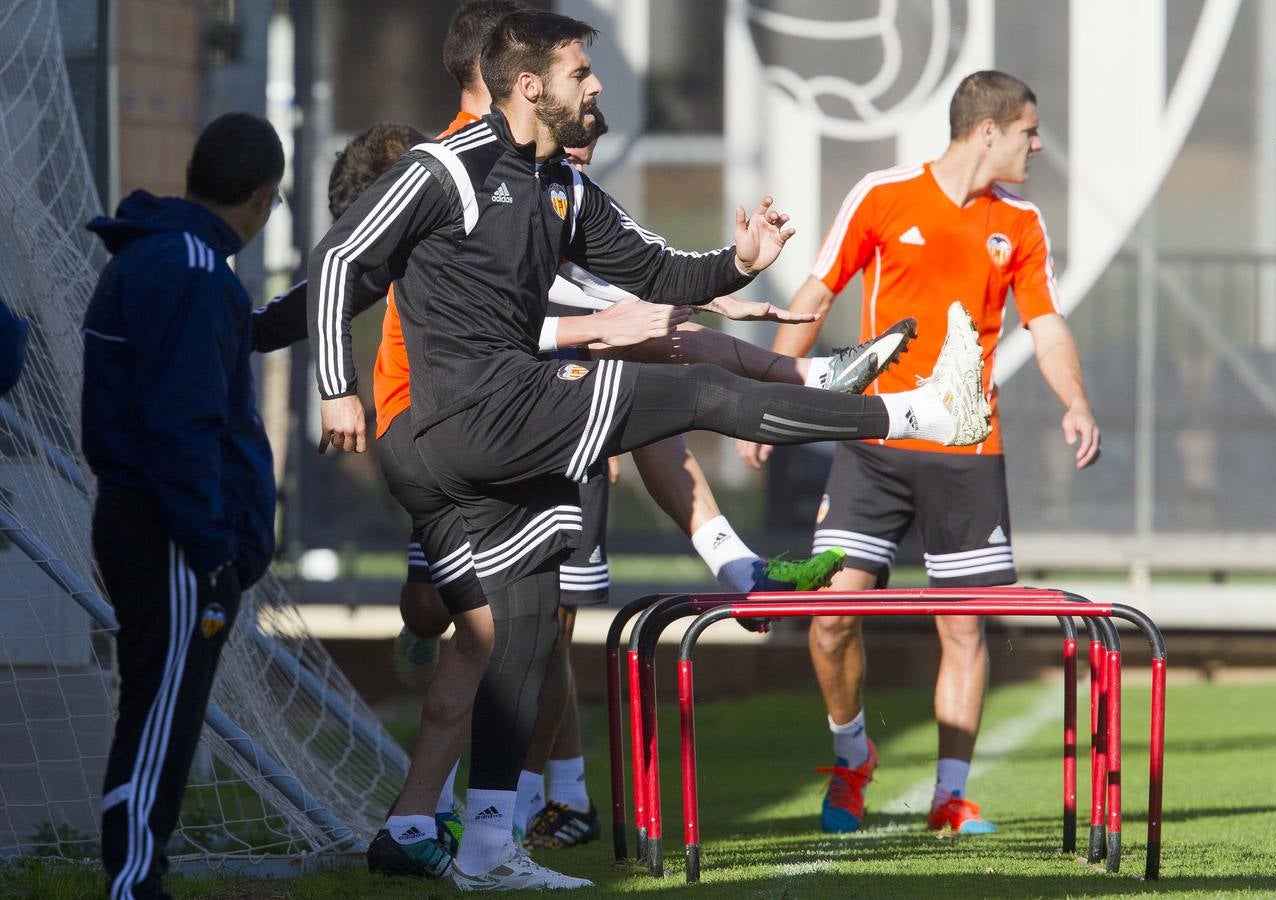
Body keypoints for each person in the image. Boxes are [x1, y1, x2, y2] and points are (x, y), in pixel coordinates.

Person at [308, 10, 989, 890]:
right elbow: (337, 264)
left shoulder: (562, 186)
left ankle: (456, 839)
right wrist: (334, 384)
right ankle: (915, 413)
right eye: (580, 71)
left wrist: (737, 262)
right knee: (694, 390)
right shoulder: (446, 167)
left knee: (516, 634)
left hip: (492, 442)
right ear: (529, 86)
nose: (595, 85)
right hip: (469, 424)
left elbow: (662, 274)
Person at [736, 70, 1101, 837]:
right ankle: (851, 757)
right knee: (832, 618)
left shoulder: (1023, 224)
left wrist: (1074, 400)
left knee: (964, 627)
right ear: (988, 132)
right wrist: (761, 408)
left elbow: (1048, 328)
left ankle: (950, 796)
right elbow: (814, 295)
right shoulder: (882, 193)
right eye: (1029, 131)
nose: (1038, 145)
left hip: (969, 454)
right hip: (873, 442)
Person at [82, 112, 284, 900]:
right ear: (265, 198)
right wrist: (213, 549)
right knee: (161, 709)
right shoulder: (195, 270)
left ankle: (138, 870)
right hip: (169, 532)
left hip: (150, 521)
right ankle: (134, 878)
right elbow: (184, 425)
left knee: (157, 702)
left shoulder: (162, 254)